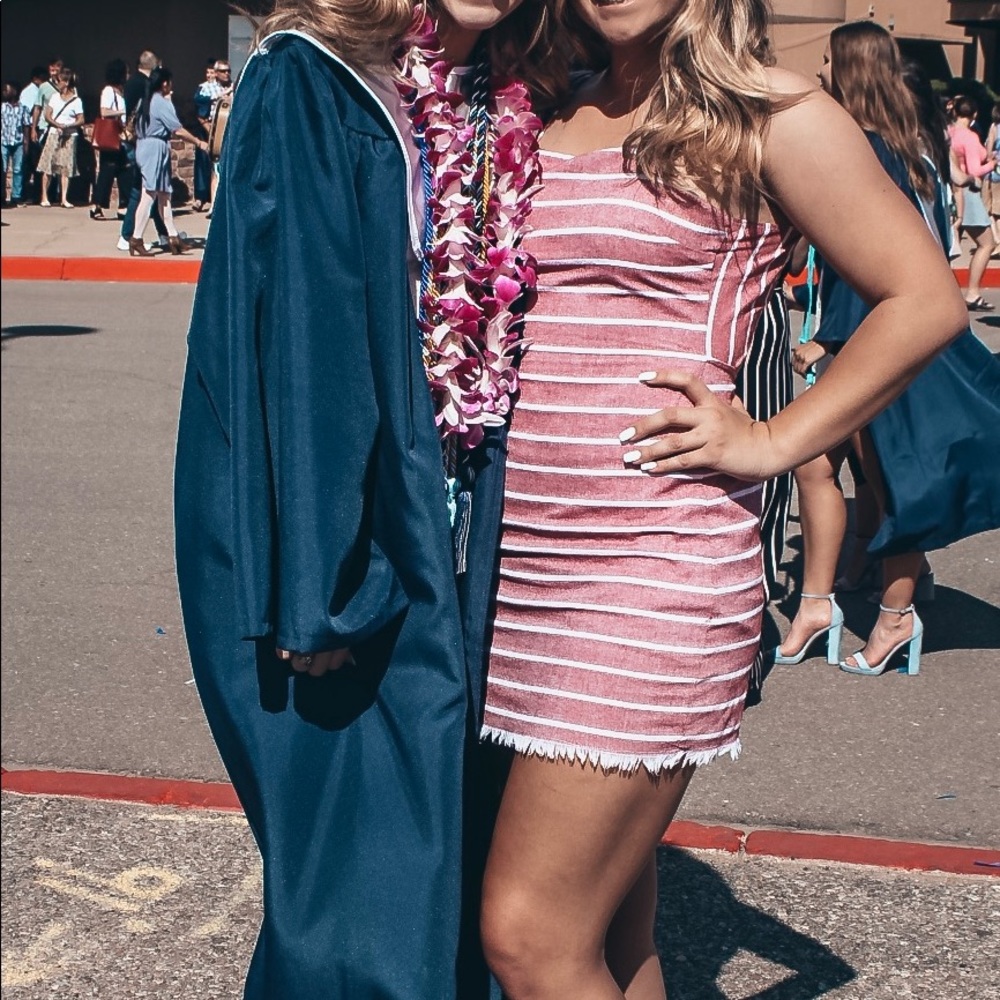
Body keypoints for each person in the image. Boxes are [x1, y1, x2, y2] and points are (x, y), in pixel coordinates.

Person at [472, 4, 971, 995]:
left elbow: (924, 299)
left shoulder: (770, 110)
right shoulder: (552, 97)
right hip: (513, 568)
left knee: (529, 936)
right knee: (613, 934)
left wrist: (774, 440)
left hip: (650, 567)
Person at [173, 0, 560, 996]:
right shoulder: (314, 78)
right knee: (362, 907)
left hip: (439, 535)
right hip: (339, 553)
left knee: (425, 872)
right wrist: (322, 590)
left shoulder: (490, 93)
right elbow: (304, 340)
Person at [776, 21, 1000, 680]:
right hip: (903, 334)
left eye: (828, 61)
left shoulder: (868, 150)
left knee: (895, 476)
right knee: (839, 466)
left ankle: (893, 615)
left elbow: (875, 266)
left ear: (850, 70)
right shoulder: (909, 146)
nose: (820, 71)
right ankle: (836, 597)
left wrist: (828, 340)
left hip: (883, 335)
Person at [127, 67, 208, 256]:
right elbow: (177, 129)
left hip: (146, 145)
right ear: (164, 83)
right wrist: (198, 142)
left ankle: (173, 237)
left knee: (164, 194)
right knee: (149, 194)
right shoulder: (161, 102)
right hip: (155, 147)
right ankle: (136, 237)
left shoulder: (145, 101)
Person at [948, 95, 997, 310]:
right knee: (987, 244)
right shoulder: (969, 137)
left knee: (949, 244)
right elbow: (975, 170)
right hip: (968, 191)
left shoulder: (949, 132)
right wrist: (992, 164)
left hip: (952, 191)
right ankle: (973, 292)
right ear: (974, 114)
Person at [117, 50, 169, 252]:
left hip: (138, 140)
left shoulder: (131, 82)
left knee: (151, 190)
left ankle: (164, 234)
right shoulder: (144, 85)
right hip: (143, 141)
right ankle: (128, 235)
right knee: (141, 190)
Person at [36, 67, 83, 209]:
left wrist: (69, 125)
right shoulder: (54, 97)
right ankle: (44, 196)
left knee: (65, 167)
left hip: (69, 135)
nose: (57, 84)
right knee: (48, 165)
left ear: (66, 83)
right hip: (54, 133)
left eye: (60, 81)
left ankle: (64, 198)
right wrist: (56, 124)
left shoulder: (76, 100)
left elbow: (81, 119)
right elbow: (47, 114)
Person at [90, 59, 130, 220]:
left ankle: (124, 206)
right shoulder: (108, 91)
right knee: (107, 171)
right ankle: (96, 205)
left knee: (125, 171)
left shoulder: (121, 91)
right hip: (111, 136)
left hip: (121, 136)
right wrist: (121, 112)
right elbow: (104, 112)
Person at [29, 57, 63, 204]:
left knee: (58, 163)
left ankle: (56, 195)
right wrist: (33, 128)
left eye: (56, 68)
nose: (54, 70)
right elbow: (37, 107)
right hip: (45, 127)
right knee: (44, 163)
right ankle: (42, 195)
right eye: (51, 68)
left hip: (62, 128)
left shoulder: (67, 86)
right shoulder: (44, 87)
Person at [17, 67, 45, 203]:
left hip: (38, 129)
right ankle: (26, 194)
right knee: (30, 164)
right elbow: (27, 112)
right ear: (35, 78)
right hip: (30, 129)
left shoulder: (39, 90)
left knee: (37, 164)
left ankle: (36, 194)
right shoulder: (29, 92)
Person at [2, 82, 31, 208]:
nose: (4, 92)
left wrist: (26, 142)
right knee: (2, 169)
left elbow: (26, 126)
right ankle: (2, 197)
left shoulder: (23, 108)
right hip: (3, 141)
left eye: (6, 90)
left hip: (18, 142)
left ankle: (16, 196)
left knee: (18, 169)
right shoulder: (2, 107)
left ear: (14, 91)